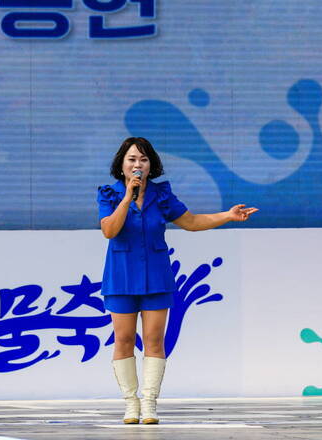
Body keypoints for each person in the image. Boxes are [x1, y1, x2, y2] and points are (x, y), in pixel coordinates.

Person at [97, 137, 258, 424]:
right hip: (121, 276)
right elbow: (109, 230)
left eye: (143, 160)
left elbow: (192, 222)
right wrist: (127, 198)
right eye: (132, 159)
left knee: (154, 340)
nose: (138, 165)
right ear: (122, 165)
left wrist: (228, 215)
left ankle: (149, 403)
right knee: (122, 339)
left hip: (157, 275)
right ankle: (130, 404)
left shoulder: (162, 195)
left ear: (151, 165)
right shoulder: (109, 194)